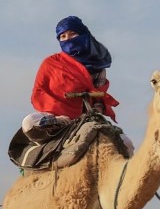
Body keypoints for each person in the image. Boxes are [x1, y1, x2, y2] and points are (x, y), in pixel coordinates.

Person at [22, 16, 133, 153]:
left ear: (83, 35)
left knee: (126, 143)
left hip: (86, 117)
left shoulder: (97, 67)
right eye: (62, 36)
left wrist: (97, 108)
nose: (68, 39)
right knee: (29, 123)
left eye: (72, 34)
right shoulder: (50, 63)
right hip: (54, 117)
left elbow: (99, 94)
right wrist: (59, 113)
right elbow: (38, 92)